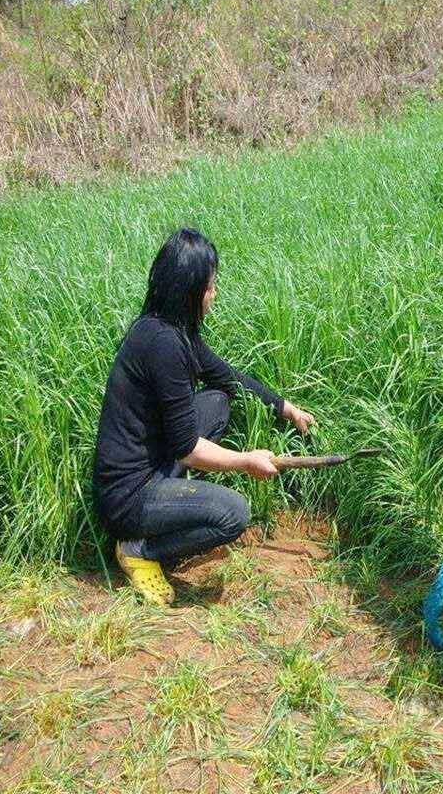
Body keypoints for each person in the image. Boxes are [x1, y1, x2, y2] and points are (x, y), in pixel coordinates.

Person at [92, 227, 316, 606]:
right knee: (232, 513)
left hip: (150, 459)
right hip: (127, 496)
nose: (214, 294)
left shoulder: (170, 328)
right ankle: (141, 548)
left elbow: (225, 375)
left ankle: (168, 506)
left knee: (217, 401)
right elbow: (187, 448)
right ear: (189, 291)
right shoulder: (163, 346)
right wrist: (246, 462)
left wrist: (284, 407)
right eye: (210, 287)